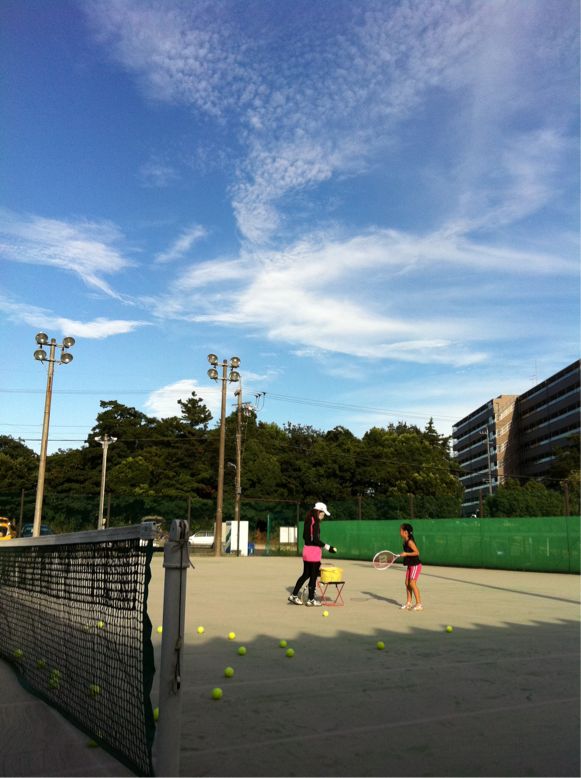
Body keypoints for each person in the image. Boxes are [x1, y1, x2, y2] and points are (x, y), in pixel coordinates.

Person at [288, 502, 337, 607]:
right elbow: (315, 539)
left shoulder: (308, 520)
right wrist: (328, 547)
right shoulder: (315, 522)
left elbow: (305, 537)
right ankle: (311, 599)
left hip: (306, 550)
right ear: (318, 512)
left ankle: (294, 595)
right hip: (313, 553)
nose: (323, 515)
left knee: (306, 574)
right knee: (313, 576)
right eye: (323, 513)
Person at [399, 522, 423, 611]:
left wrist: (406, 554)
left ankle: (419, 604)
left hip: (415, 565)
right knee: (407, 583)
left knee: (412, 583)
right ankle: (409, 603)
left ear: (405, 532)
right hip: (410, 564)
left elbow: (417, 552)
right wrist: (404, 554)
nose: (399, 532)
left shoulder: (410, 542)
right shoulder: (405, 541)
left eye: (400, 530)